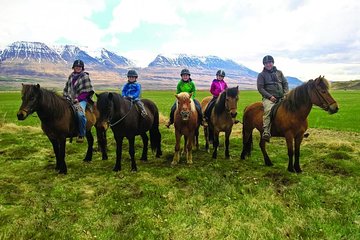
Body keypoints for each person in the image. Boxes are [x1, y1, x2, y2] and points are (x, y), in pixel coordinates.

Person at [257, 55, 289, 142]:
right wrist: (270, 97)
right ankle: (266, 131)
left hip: (282, 97)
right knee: (268, 110)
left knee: (292, 108)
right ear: (264, 64)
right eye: (266, 63)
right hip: (269, 99)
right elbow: (260, 88)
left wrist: (286, 94)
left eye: (270, 62)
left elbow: (285, 84)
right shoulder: (261, 75)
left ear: (273, 63)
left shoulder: (279, 73)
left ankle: (296, 129)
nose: (268, 64)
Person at [63, 59, 94, 143]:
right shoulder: (71, 76)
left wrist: (78, 99)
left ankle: (81, 134)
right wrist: (65, 97)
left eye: (80, 67)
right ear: (74, 67)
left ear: (82, 68)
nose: (78, 68)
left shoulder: (85, 76)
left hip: (81, 101)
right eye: (77, 66)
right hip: (70, 99)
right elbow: (66, 89)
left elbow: (87, 91)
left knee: (80, 114)